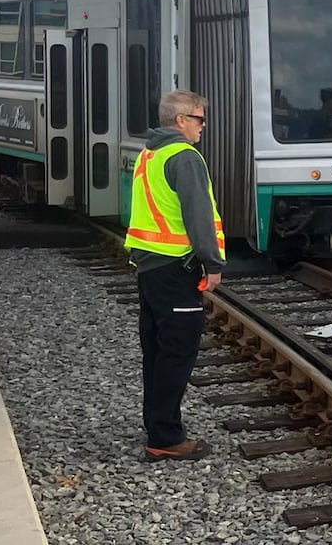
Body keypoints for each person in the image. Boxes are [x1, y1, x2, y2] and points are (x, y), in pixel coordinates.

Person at [125, 90, 225, 462]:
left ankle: (157, 425)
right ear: (181, 120)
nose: (203, 126)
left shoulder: (149, 153)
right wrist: (212, 264)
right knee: (177, 352)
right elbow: (198, 215)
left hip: (150, 267)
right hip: (176, 268)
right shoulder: (184, 157)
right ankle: (165, 437)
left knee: (156, 351)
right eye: (199, 119)